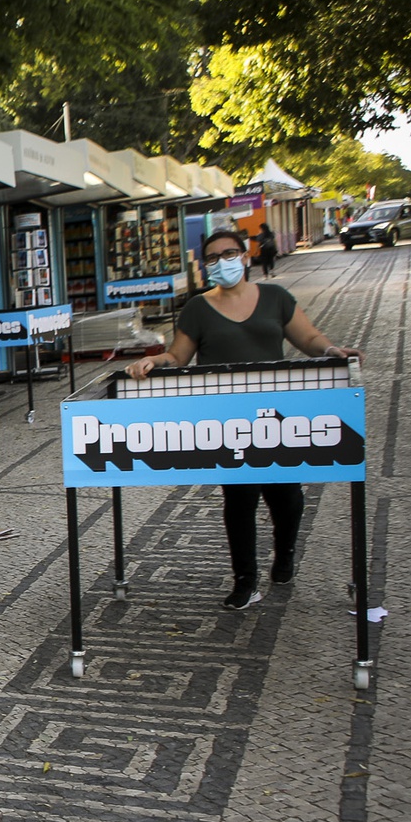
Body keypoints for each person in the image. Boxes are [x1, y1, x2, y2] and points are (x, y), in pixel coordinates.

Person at [126, 229, 361, 609]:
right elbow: (178, 355)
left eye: (229, 253)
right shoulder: (199, 308)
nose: (223, 262)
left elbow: (309, 337)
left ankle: (284, 555)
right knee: (239, 499)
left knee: (287, 497)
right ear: (206, 266)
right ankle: (245, 580)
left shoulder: (275, 298)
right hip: (228, 421)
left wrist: (333, 350)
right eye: (214, 257)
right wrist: (154, 361)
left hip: (277, 416)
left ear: (245, 256)